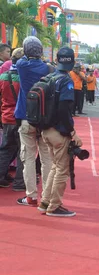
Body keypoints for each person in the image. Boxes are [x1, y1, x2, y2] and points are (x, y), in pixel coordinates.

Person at [38, 47, 81, 217]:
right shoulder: (66, 80)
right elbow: (64, 110)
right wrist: (72, 133)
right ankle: (54, 206)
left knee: (55, 168)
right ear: (72, 61)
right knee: (62, 170)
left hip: (45, 129)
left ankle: (45, 201)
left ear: (57, 59)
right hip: (58, 131)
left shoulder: (49, 77)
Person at [15, 36, 54, 207]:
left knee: (28, 159)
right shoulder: (48, 68)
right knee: (47, 159)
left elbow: (19, 57)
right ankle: (47, 196)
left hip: (26, 118)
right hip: (45, 120)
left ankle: (30, 196)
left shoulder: (22, 66)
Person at [0, 48, 25, 190]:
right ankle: (19, 183)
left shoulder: (3, 76)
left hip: (6, 117)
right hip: (20, 117)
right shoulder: (25, 79)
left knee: (5, 149)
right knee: (23, 151)